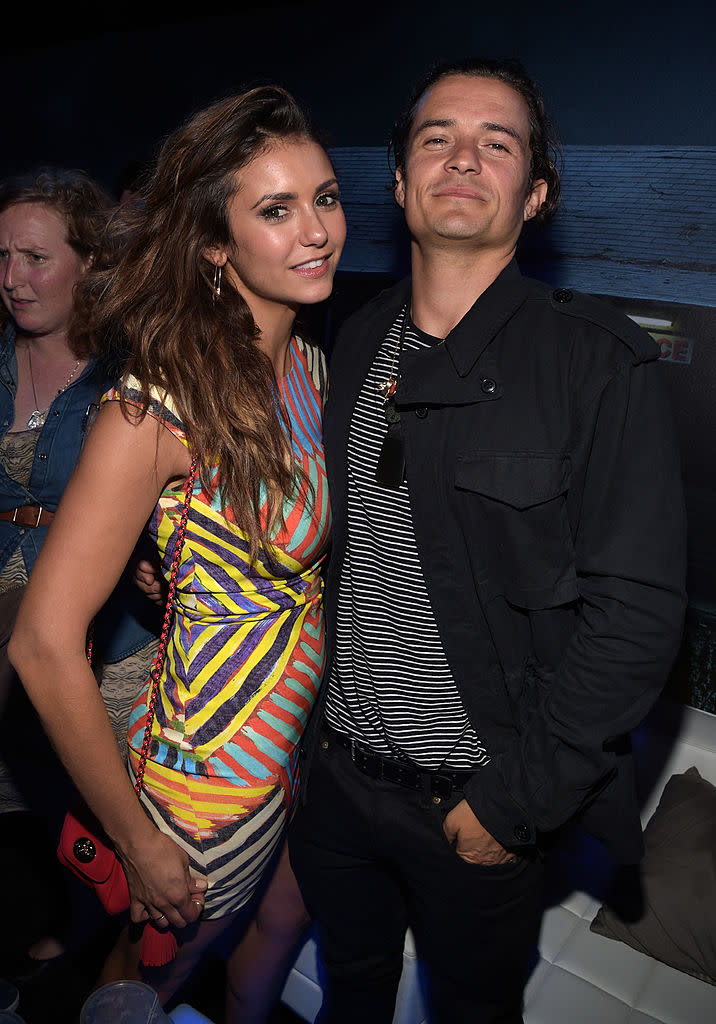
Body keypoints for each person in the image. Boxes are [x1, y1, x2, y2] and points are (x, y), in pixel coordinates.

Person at [287, 57, 688, 1024]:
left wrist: (511, 808)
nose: (462, 160)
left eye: (496, 144)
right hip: (335, 777)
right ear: (397, 182)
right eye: (437, 139)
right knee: (351, 988)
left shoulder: (600, 363)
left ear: (536, 192)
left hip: (473, 803)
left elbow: (636, 617)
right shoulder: (349, 336)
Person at [9, 85, 345, 1023]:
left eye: (324, 197)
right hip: (203, 793)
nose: (316, 230)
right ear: (212, 243)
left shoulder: (307, 364)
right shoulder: (154, 408)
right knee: (139, 985)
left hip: (286, 754)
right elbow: (42, 642)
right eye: (274, 210)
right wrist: (139, 843)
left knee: (274, 929)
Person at [0, 168, 160, 984]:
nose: (11, 279)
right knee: (27, 794)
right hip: (5, 604)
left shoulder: (125, 374)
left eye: (33, 258)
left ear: (87, 262)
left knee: (88, 797)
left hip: (98, 624)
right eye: (1, 257)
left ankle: (94, 931)